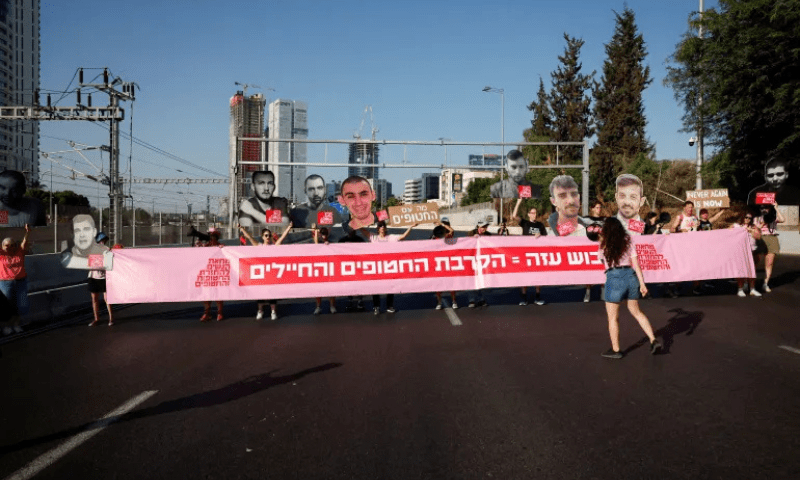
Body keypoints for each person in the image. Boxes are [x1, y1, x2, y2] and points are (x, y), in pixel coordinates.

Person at [597, 217, 661, 359]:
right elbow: (636, 264)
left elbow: (601, 261)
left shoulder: (604, 244)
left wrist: (601, 241)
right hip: (631, 277)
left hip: (614, 278)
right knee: (637, 312)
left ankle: (616, 350)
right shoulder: (628, 240)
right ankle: (653, 339)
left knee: (613, 318)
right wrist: (642, 284)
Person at [239, 222, 293, 320]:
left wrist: (288, 227)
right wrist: (242, 228)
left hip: (271, 274)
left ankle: (273, 312)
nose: (268, 237)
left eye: (269, 235)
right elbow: (250, 238)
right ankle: (260, 311)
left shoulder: (274, 247)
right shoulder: (259, 246)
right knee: (260, 293)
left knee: (272, 293)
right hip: (261, 274)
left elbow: (282, 238)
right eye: (266, 235)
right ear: (262, 237)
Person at [361, 220, 416, 314]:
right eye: (380, 226)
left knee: (390, 287)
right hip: (377, 266)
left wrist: (411, 226)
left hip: (388, 267)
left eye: (383, 226)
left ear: (385, 228)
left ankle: (389, 306)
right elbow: (362, 230)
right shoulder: (373, 237)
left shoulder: (390, 238)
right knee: (376, 287)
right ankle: (376, 307)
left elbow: (403, 236)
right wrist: (357, 221)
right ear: (377, 228)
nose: (382, 228)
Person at [511, 198, 546, 305]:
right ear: (528, 214)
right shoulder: (525, 223)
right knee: (524, 276)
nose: (534, 215)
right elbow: (513, 216)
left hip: (537, 254)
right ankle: (524, 298)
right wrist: (518, 202)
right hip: (525, 253)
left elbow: (546, 239)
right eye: (532, 213)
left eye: (535, 213)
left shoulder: (540, 225)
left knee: (538, 277)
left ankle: (538, 297)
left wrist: (540, 235)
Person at [1, 224, 31, 335]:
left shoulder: (19, 252)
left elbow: (24, 242)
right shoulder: (1, 254)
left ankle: (16, 324)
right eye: (7, 245)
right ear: (3, 246)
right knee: (6, 306)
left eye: (12, 245)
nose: (10, 247)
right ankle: (6, 326)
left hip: (21, 282)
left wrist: (27, 232)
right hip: (5, 283)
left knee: (21, 304)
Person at [754, 202, 785, 292]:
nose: (764, 209)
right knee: (755, 261)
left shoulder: (773, 217)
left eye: (767, 207)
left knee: (769, 263)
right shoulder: (757, 218)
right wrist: (761, 224)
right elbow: (755, 229)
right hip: (760, 238)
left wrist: (776, 208)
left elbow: (782, 220)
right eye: (762, 207)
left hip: (772, 238)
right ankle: (749, 282)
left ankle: (765, 283)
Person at [730, 211, 762, 297]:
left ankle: (752, 289)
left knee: (752, 271)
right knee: (741, 271)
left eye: (749, 218)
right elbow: (728, 234)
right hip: (740, 252)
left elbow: (758, 237)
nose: (747, 219)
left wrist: (750, 230)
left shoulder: (753, 227)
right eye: (746, 217)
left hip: (752, 250)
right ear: (742, 217)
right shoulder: (736, 225)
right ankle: (740, 289)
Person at [87, 232, 115, 326]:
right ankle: (96, 319)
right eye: (100, 241)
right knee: (94, 299)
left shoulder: (108, 250)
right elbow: (90, 264)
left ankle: (111, 319)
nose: (102, 242)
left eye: (104, 240)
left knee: (107, 299)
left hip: (104, 277)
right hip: (93, 277)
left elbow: (109, 263)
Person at [198, 228, 225, 322]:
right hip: (207, 273)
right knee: (206, 294)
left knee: (218, 294)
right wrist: (198, 248)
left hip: (218, 272)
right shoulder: (206, 246)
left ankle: (220, 312)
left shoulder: (221, 246)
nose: (211, 237)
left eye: (213, 235)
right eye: (210, 235)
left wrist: (223, 249)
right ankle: (207, 313)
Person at [338, 228, 367, 312]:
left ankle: (360, 300)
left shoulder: (360, 240)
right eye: (349, 231)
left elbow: (366, 250)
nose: (351, 232)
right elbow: (335, 250)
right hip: (347, 267)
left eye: (353, 230)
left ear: (355, 231)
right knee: (349, 284)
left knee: (359, 283)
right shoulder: (342, 240)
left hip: (358, 266)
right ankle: (350, 299)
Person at [431, 220, 458, 310]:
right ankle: (439, 302)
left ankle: (454, 301)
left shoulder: (448, 237)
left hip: (448, 263)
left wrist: (442, 224)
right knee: (438, 285)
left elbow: (452, 230)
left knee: (451, 284)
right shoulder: (434, 238)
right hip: (438, 264)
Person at [312, 225, 337, 315]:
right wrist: (315, 231)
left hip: (329, 268)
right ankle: (318, 307)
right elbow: (315, 243)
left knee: (331, 288)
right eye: (322, 233)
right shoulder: (318, 244)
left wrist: (329, 245)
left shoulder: (331, 243)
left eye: (325, 233)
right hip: (319, 269)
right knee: (318, 289)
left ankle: (332, 306)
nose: (324, 235)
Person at [467, 221, 492, 307]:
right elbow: (466, 244)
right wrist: (472, 238)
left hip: (483, 260)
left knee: (482, 280)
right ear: (478, 227)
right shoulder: (471, 233)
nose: (483, 228)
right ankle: (472, 300)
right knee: (472, 280)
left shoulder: (488, 235)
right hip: (473, 260)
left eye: (485, 227)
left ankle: (482, 299)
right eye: (482, 227)